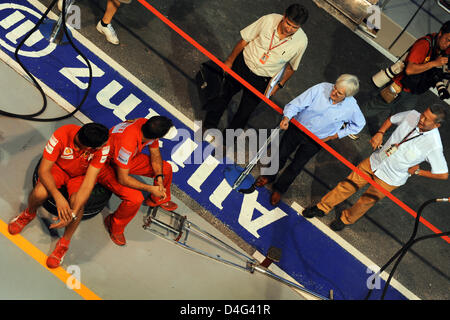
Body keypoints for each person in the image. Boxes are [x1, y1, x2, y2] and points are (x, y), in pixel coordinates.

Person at [302, 104, 448, 231]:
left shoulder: (434, 145)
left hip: (390, 178)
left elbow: (443, 174)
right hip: (375, 161)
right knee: (347, 185)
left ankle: (346, 219)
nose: (421, 119)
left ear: (436, 125)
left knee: (366, 201)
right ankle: (322, 207)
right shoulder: (412, 115)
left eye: (426, 119)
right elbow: (391, 119)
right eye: (423, 115)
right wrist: (380, 133)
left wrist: (417, 171)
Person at [8, 123, 110, 268]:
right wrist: (58, 197)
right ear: (89, 149)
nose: (106, 145)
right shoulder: (62, 134)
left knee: (78, 204)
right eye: (102, 145)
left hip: (80, 177)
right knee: (39, 192)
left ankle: (64, 242)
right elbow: (44, 170)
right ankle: (28, 214)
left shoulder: (104, 146)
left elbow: (88, 182)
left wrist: (73, 213)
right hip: (58, 168)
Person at [255, 74, 366, 206]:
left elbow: (359, 124)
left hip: (316, 141)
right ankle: (268, 176)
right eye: (335, 88)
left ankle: (279, 188)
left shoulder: (351, 107)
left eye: (339, 93)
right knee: (280, 155)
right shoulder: (321, 89)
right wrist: (287, 118)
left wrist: (334, 135)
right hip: (297, 129)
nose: (334, 92)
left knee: (296, 166)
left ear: (347, 96)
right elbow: (297, 103)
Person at [203, 3, 308, 133]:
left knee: (244, 113)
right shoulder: (268, 20)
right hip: (243, 64)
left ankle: (226, 141)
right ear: (284, 16)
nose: (289, 29)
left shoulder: (301, 42)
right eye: (288, 23)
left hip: (262, 80)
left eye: (294, 27)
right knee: (223, 95)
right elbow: (244, 40)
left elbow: (292, 67)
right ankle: (208, 125)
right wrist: (230, 61)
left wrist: (279, 85)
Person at [97, 116, 177, 246]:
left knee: (165, 168)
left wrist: (159, 179)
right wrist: (151, 188)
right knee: (135, 198)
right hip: (105, 165)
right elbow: (123, 179)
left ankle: (158, 198)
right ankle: (114, 225)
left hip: (125, 159)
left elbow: (155, 154)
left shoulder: (147, 125)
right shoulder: (127, 143)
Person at [365, 20, 450, 133]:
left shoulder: (444, 50)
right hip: (399, 86)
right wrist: (434, 63)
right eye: (447, 40)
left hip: (414, 92)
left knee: (401, 121)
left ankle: (383, 142)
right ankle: (347, 123)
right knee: (373, 107)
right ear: (440, 34)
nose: (448, 44)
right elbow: (410, 70)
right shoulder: (424, 44)